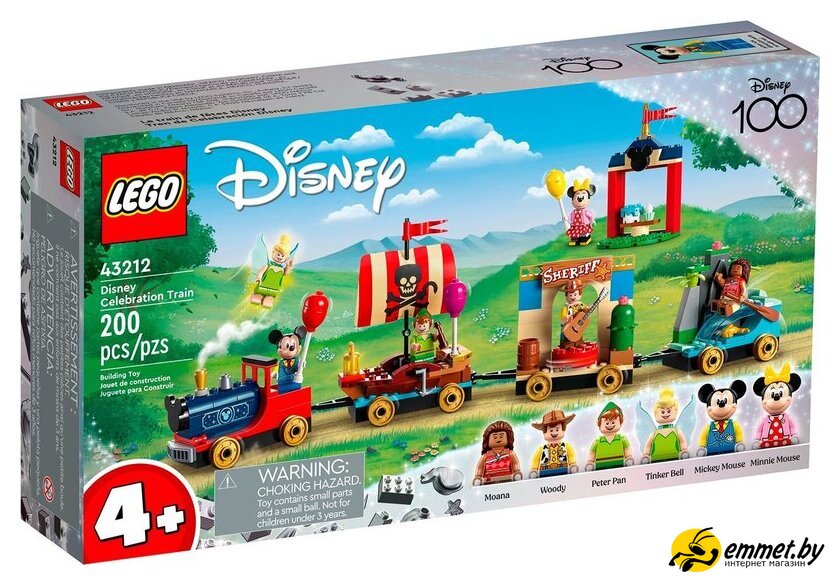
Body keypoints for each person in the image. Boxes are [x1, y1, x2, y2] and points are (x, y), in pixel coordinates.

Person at [529, 410, 577, 478]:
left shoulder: (566, 446)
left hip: (563, 470)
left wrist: (573, 464)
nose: (554, 432)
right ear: (544, 432)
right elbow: (535, 459)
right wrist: (534, 469)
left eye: (557, 430)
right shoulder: (541, 449)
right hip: (545, 472)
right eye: (551, 430)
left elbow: (571, 456)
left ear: (563, 429)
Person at [587, 402, 633, 470]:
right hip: (601, 468)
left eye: (613, 422)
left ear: (621, 422)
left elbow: (627, 449)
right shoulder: (597, 442)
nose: (610, 425)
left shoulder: (622, 439)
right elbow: (592, 452)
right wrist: (590, 461)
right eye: (607, 423)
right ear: (598, 424)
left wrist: (628, 457)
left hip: (619, 466)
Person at [251, 234, 294, 308]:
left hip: (274, 288)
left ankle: (266, 302)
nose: (280, 257)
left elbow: (286, 273)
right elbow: (261, 272)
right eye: (278, 254)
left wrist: (289, 266)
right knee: (256, 299)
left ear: (286, 258)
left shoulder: (282, 269)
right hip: (263, 285)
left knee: (268, 302)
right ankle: (255, 297)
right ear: (273, 252)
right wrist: (259, 278)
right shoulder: (268, 265)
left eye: (282, 256)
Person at [473, 421, 522, 485]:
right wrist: (478, 476)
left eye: (501, 436)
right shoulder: (486, 455)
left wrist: (516, 471)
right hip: (489, 479)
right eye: (495, 437)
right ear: (488, 440)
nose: (498, 439)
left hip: (507, 477)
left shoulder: (509, 452)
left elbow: (515, 463)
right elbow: (480, 467)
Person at [559, 279, 588, 347]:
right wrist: (566, 318)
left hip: (578, 325)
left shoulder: (581, 305)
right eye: (570, 295)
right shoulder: (566, 306)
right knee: (566, 336)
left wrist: (587, 309)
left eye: (575, 294)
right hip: (568, 324)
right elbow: (563, 316)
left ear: (580, 295)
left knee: (579, 333)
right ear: (566, 296)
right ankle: (566, 343)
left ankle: (579, 342)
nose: (573, 297)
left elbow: (586, 310)